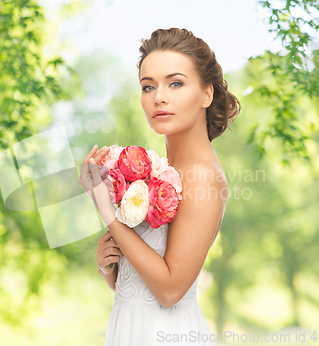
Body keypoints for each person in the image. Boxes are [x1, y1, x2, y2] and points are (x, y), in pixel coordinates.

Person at [80, 27, 241, 345]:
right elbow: (142, 289)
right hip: (131, 329)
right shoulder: (160, 171)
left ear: (207, 94)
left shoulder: (202, 175)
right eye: (148, 86)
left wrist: (104, 207)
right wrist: (109, 267)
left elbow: (169, 291)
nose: (159, 97)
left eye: (176, 83)